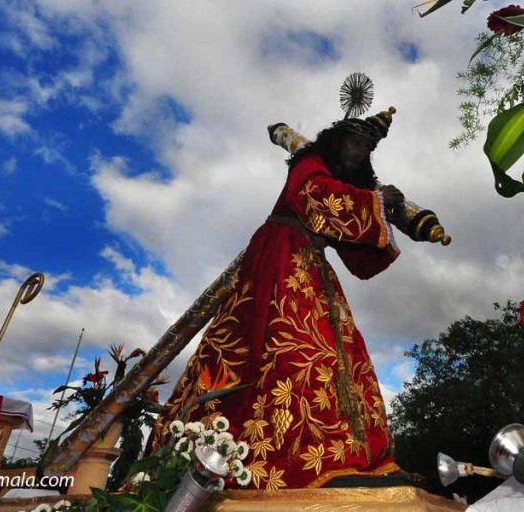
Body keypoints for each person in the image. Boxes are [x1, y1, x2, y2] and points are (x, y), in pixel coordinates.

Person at [149, 107, 405, 489]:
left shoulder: (344, 185)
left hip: (312, 265)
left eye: (367, 149)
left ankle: (338, 452)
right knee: (284, 349)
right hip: (279, 258)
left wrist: (382, 210)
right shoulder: (308, 164)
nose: (358, 152)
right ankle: (280, 456)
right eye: (354, 142)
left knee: (337, 358)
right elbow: (315, 197)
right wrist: (374, 201)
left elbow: (360, 259)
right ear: (337, 140)